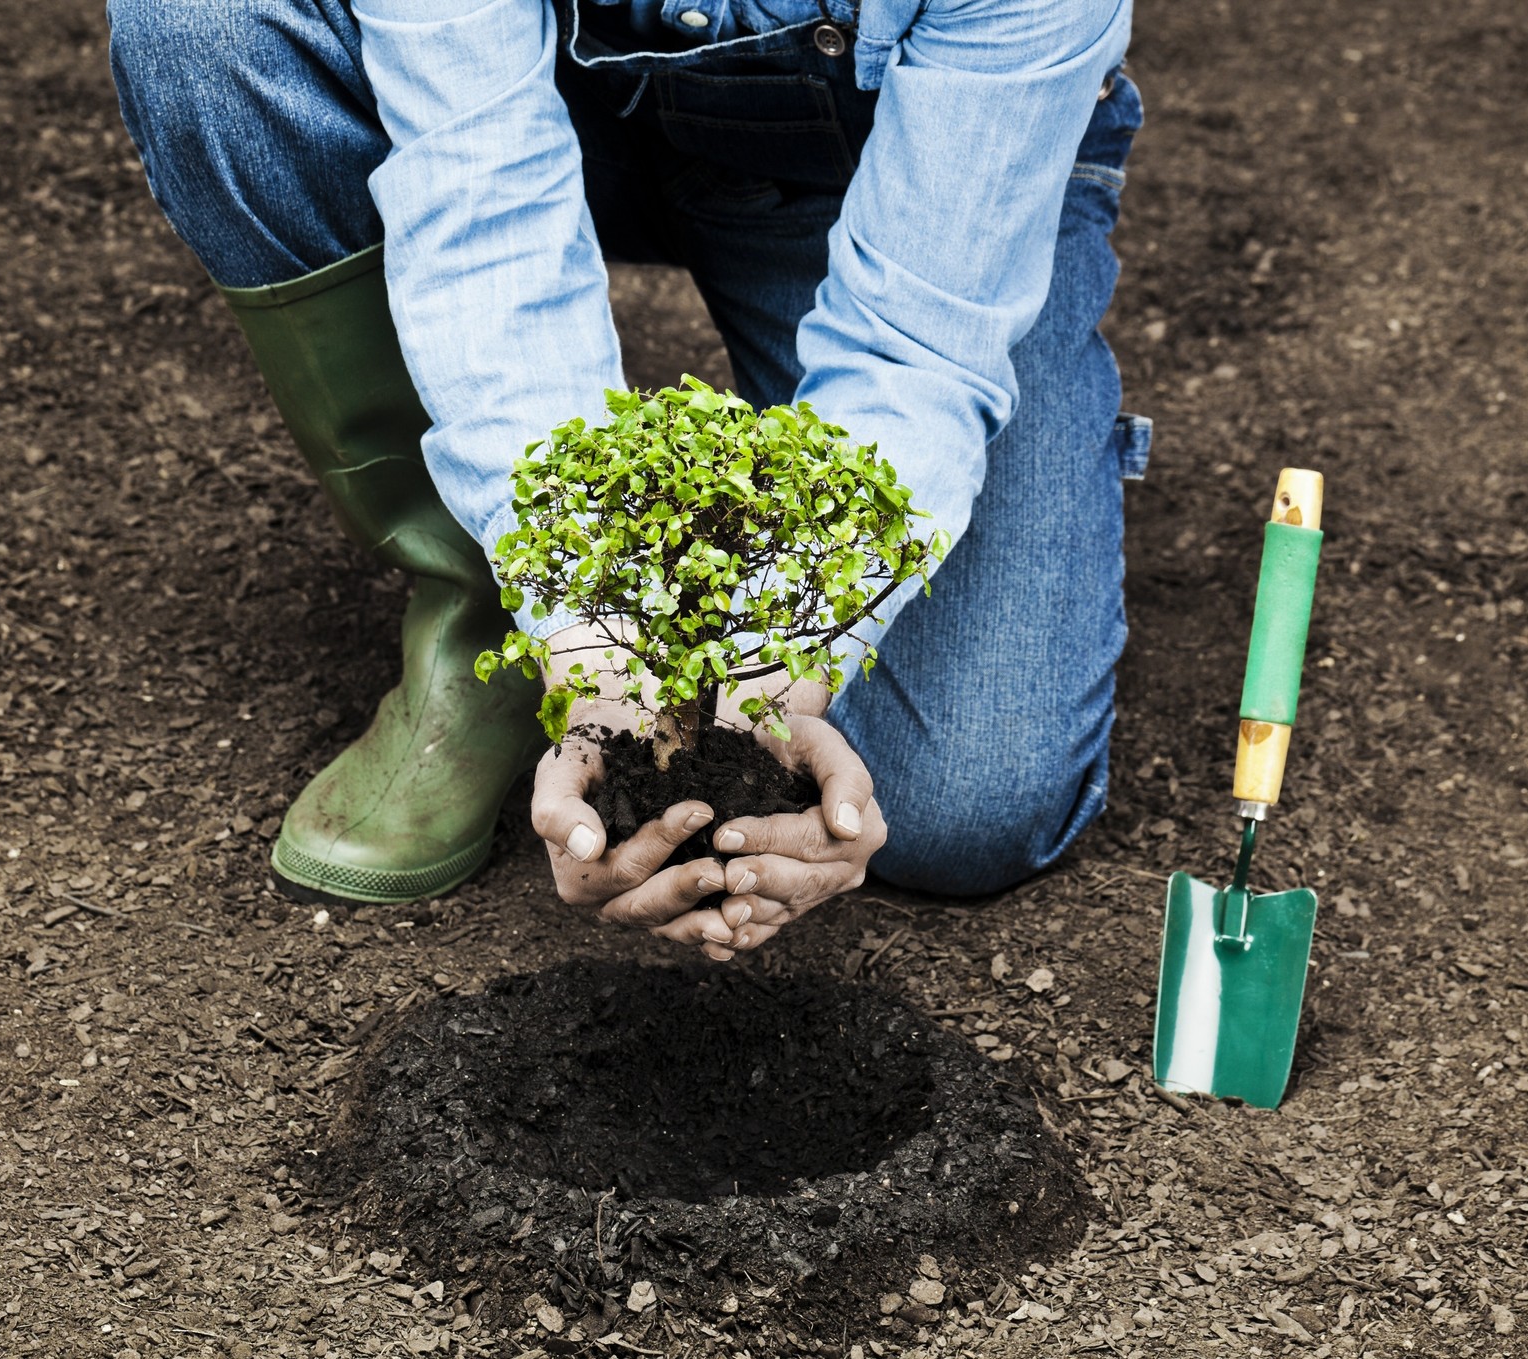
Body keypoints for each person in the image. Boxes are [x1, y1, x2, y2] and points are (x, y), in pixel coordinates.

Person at [107, 0, 1149, 963]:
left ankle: (670, 601)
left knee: (964, 806)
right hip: (550, 100)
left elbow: (913, 343)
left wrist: (783, 659)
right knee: (201, 23)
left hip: (890, 160)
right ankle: (490, 626)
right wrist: (585, 628)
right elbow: (484, 208)